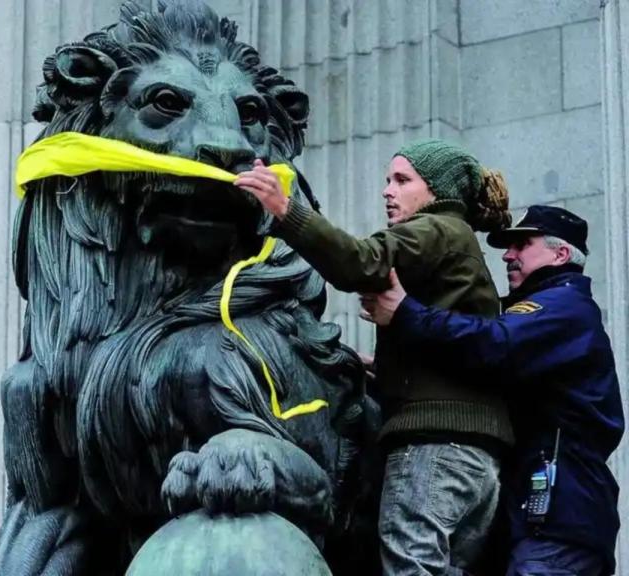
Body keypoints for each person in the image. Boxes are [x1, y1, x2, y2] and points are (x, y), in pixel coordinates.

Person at [235, 139, 514, 574]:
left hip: (434, 447)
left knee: (409, 565)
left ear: (438, 191)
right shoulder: (455, 240)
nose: (387, 191)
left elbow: (361, 262)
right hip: (474, 455)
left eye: (402, 180)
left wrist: (286, 210)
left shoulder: (436, 228)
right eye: (388, 180)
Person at [359, 205, 624, 576]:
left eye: (522, 245)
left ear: (561, 254)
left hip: (557, 525)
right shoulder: (549, 311)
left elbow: (493, 344)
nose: (507, 255)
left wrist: (406, 312)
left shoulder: (564, 307)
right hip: (542, 522)